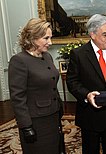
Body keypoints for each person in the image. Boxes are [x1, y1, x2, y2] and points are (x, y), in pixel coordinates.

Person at [66, 14, 106, 154]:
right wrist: (87, 95)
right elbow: (72, 82)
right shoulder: (78, 54)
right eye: (105, 34)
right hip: (90, 116)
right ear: (93, 35)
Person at [8, 18, 64, 154]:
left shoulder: (47, 56)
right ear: (32, 38)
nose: (50, 42)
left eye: (50, 38)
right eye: (46, 38)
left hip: (53, 116)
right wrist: (26, 126)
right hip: (36, 121)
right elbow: (17, 98)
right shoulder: (19, 61)